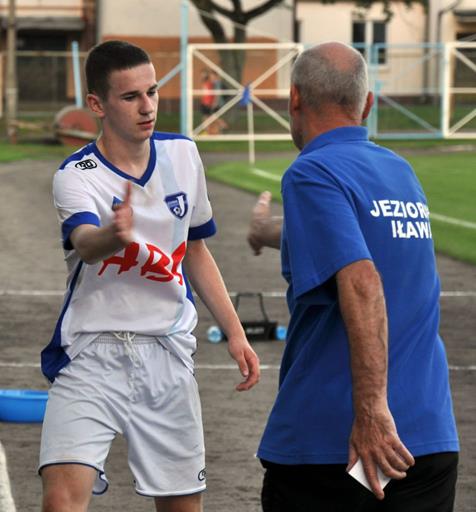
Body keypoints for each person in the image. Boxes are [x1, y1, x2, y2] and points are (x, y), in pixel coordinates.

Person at [39, 40, 260, 512]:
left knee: (182, 507)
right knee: (60, 501)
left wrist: (236, 331)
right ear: (97, 104)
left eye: (152, 92)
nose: (147, 106)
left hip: (167, 351)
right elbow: (84, 244)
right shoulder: (76, 174)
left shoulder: (183, 155)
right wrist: (114, 236)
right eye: (130, 96)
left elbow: (195, 250)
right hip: (91, 352)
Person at [247, 42, 459, 512]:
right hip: (428, 439)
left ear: (295, 98)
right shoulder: (399, 171)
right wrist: (267, 231)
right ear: (368, 104)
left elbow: (362, 280)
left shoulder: (311, 171)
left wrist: (371, 411)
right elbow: (355, 233)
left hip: (338, 443)